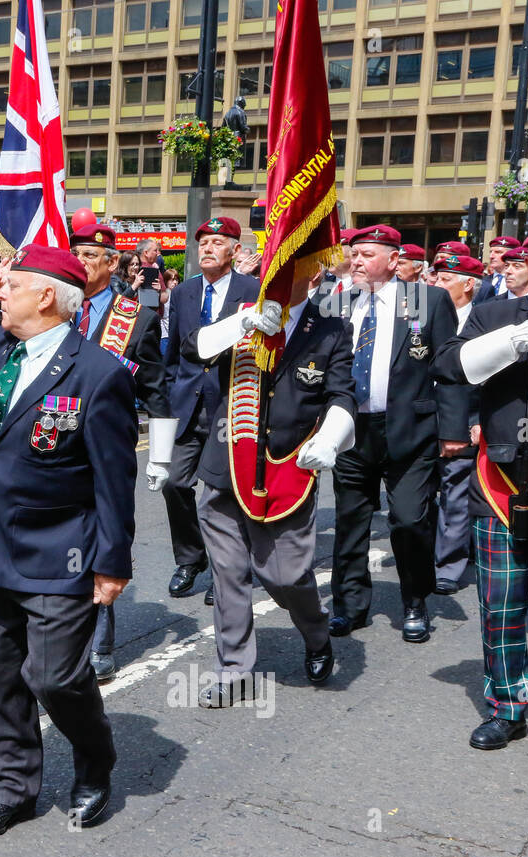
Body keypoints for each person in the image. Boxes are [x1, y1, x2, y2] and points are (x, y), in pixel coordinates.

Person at [0, 247, 138, 838]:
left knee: (53, 677)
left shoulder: (98, 373)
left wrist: (111, 562)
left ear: (45, 295)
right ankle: (11, 789)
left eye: (11, 284)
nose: (0, 290)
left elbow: (113, 478)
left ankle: (95, 760)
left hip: (59, 550)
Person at [182, 271, 357, 704]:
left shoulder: (332, 328)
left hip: (286, 470)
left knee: (287, 575)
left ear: (312, 272)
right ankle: (234, 669)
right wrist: (239, 325)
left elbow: (341, 394)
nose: (276, 274)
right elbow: (191, 350)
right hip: (227, 461)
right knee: (227, 573)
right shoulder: (243, 315)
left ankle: (316, 633)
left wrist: (331, 438)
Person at [432, 241, 528, 749]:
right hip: (503, 476)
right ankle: (506, 703)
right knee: (500, 599)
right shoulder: (497, 313)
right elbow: (448, 365)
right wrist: (513, 340)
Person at [323, 224, 464, 642]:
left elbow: (450, 368)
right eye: (355, 254)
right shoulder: (339, 302)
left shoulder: (427, 299)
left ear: (393, 258)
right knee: (351, 521)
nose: (357, 261)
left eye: (367, 254)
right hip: (352, 429)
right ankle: (349, 606)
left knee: (408, 519)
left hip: (411, 430)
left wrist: (452, 430)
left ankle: (414, 601)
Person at [68, 223, 174, 680]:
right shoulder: (53, 307)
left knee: (106, 535)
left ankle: (100, 638)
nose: (82, 263)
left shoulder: (138, 318)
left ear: (113, 263)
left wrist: (162, 455)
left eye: (91, 255)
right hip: (54, 444)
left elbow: (156, 389)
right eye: (77, 254)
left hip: (109, 447)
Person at [162, 217, 260, 602]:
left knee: (223, 492)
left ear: (236, 251)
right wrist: (168, 399)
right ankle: (191, 558)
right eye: (202, 241)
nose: (206, 248)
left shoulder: (253, 290)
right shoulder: (184, 293)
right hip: (187, 404)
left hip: (230, 403)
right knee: (174, 483)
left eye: (216, 242)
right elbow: (172, 355)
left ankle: (227, 568)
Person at [428, 253, 484, 594]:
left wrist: (478, 420)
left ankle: (448, 563)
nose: (437, 284)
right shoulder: (422, 315)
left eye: (446, 279)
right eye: (435, 278)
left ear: (469, 284)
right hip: (423, 416)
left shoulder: (483, 320)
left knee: (455, 491)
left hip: (465, 417)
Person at [474, 236, 519, 303]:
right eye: (491, 252)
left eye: (498, 252)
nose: (491, 256)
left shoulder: (520, 283)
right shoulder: (482, 282)